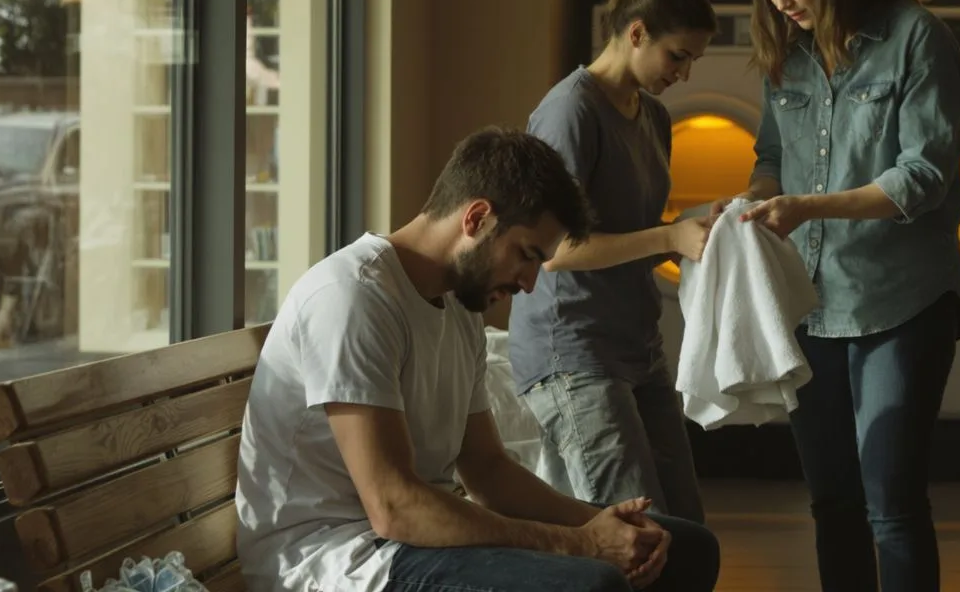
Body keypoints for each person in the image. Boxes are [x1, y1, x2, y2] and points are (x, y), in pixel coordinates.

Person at [235, 126, 721, 592]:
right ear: (476, 219)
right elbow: (393, 506)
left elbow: (487, 470)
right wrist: (578, 544)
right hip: (335, 561)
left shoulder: (457, 307)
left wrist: (597, 523)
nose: (530, 282)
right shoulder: (353, 297)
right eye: (527, 254)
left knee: (687, 547)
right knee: (592, 583)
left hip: (405, 542)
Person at [715, 0, 960, 592]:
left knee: (890, 503)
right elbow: (770, 152)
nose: (780, 0)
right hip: (810, 300)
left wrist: (808, 206)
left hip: (903, 300)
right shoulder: (787, 54)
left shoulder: (917, 37)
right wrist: (755, 197)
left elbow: (923, 176)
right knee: (833, 503)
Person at [510, 0, 721, 524]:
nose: (684, 73)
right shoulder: (568, 112)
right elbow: (552, 251)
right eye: (678, 56)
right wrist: (669, 238)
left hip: (636, 345)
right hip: (573, 353)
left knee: (686, 530)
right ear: (636, 32)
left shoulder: (652, 117)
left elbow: (636, 224)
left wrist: (703, 222)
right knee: (638, 534)